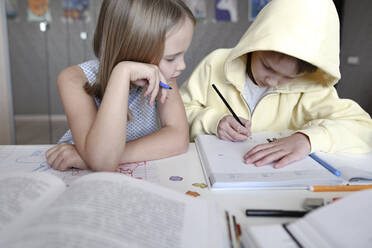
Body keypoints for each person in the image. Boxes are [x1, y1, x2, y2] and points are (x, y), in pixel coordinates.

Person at [180, 0, 372, 168]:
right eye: (267, 67)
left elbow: (363, 129)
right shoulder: (215, 64)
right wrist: (213, 122)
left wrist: (307, 139)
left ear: (305, 73)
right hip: (204, 171)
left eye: (289, 77)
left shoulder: (312, 86)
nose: (271, 81)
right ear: (254, 45)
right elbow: (176, 113)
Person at [46, 0, 196, 171]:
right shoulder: (73, 79)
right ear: (133, 48)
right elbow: (103, 161)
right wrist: (122, 73)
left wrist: (93, 158)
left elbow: (179, 139)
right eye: (171, 58)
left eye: (183, 54)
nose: (182, 66)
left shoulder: (165, 79)